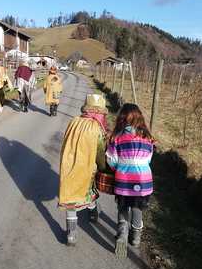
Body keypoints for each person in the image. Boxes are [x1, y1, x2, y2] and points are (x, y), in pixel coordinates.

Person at [59, 94, 109, 246]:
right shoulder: (97, 128)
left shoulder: (74, 121)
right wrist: (103, 167)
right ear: (100, 112)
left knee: (70, 198)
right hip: (88, 168)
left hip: (70, 165)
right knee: (90, 192)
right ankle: (93, 215)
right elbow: (100, 152)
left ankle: (71, 235)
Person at [106, 103, 154, 258]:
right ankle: (136, 237)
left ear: (121, 119)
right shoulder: (148, 138)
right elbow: (148, 159)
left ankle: (122, 234)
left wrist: (117, 168)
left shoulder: (117, 138)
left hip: (123, 180)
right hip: (143, 181)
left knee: (122, 207)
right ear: (140, 119)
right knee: (137, 208)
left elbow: (111, 159)